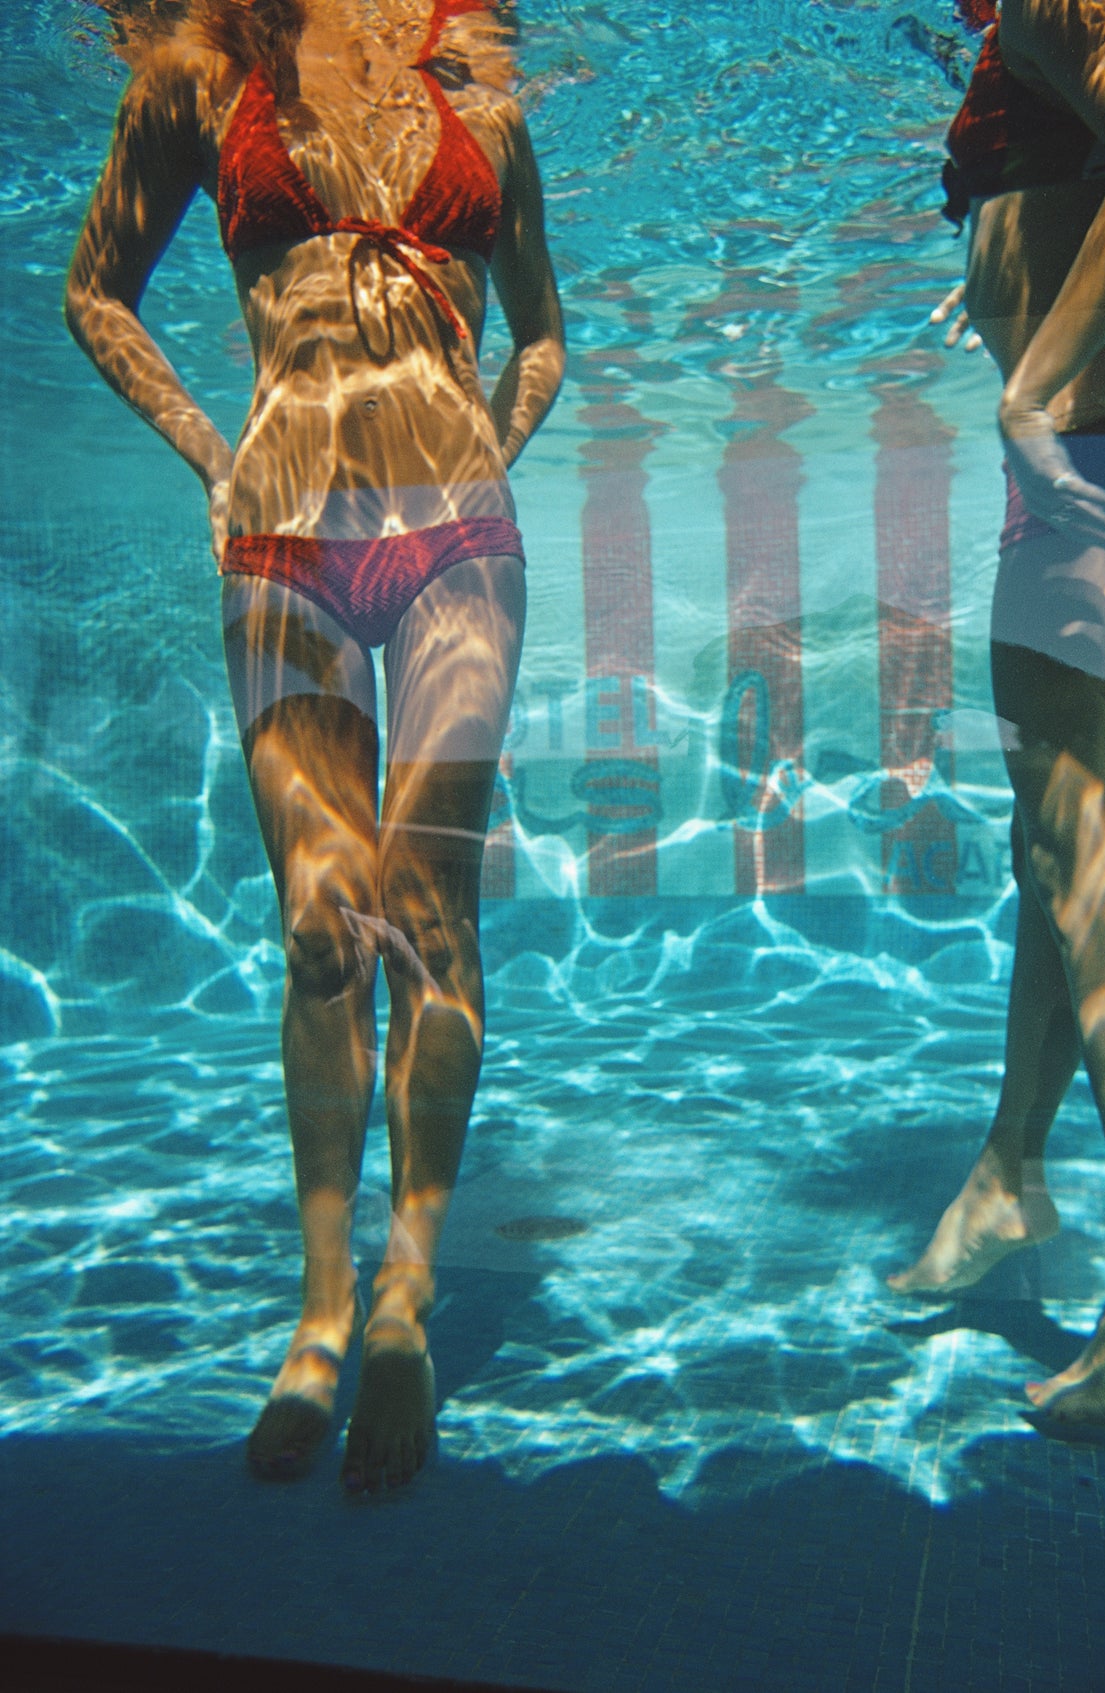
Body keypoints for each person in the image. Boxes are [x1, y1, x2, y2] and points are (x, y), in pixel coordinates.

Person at [66, 0, 564, 1488]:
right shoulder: (198, 69)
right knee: (318, 937)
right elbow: (98, 292)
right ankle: (323, 1304)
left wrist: (486, 452)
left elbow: (542, 334)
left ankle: (405, 1292)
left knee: (428, 912)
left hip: (459, 541)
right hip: (279, 536)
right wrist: (213, 454)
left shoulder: (484, 80)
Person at [889, 0, 1105, 1426]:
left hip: (1099, 463)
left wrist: (1033, 379)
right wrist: (1025, 263)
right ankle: (1013, 1174)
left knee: (1092, 868)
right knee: (1056, 856)